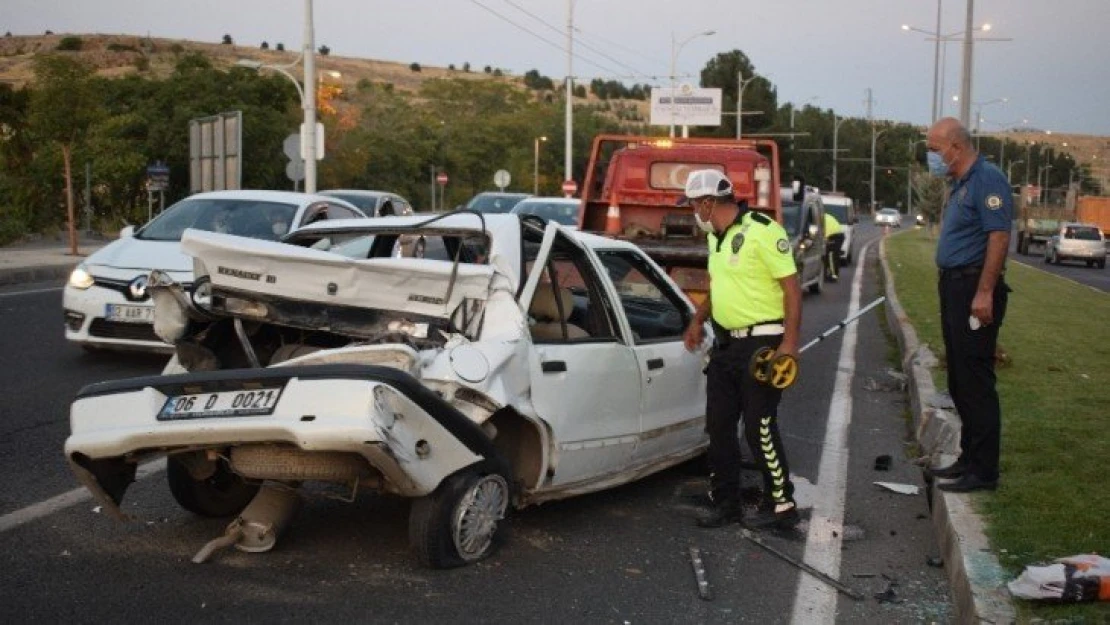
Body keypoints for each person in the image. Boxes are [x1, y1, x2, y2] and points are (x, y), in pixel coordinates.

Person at [680, 169, 803, 529]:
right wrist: (698, 318)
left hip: (762, 344)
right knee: (718, 426)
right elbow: (718, 286)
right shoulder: (716, 238)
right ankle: (726, 502)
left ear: (707, 203)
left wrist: (790, 344)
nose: (691, 212)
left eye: (692, 205)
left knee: (758, 426)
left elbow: (792, 289)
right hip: (725, 344)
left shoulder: (763, 231)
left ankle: (781, 505)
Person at [925, 117, 1012, 493]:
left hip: (973, 287)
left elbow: (998, 236)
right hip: (955, 287)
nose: (931, 156)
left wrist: (984, 291)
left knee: (975, 380)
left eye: (933, 149)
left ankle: (984, 471)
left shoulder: (987, 179)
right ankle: (968, 458)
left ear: (954, 147)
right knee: (959, 379)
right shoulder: (961, 183)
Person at [823, 211, 844, 282]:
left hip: (834, 237)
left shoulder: (821, 220)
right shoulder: (825, 216)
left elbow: (825, 237)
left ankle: (834, 276)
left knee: (831, 256)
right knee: (825, 256)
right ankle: (825, 274)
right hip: (838, 236)